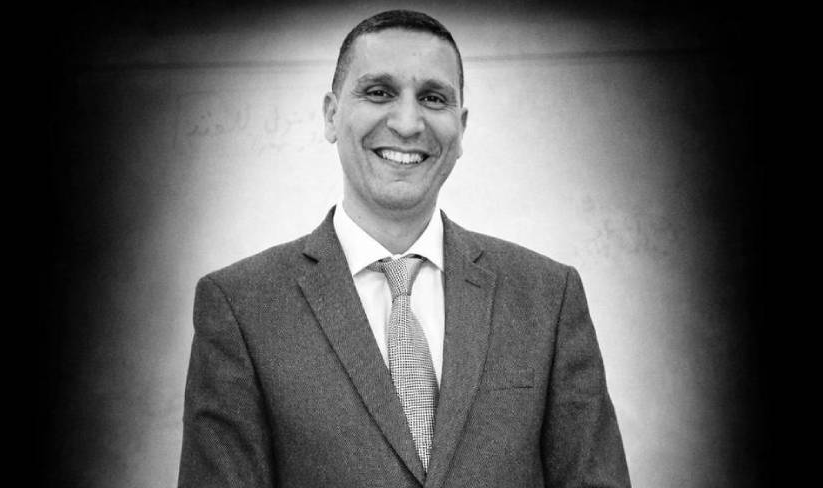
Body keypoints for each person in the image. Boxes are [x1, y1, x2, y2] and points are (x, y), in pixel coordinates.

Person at [178, 9, 630, 488]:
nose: (409, 123)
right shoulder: (241, 306)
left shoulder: (547, 296)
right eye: (379, 92)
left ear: (461, 127)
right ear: (331, 115)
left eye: (433, 98)